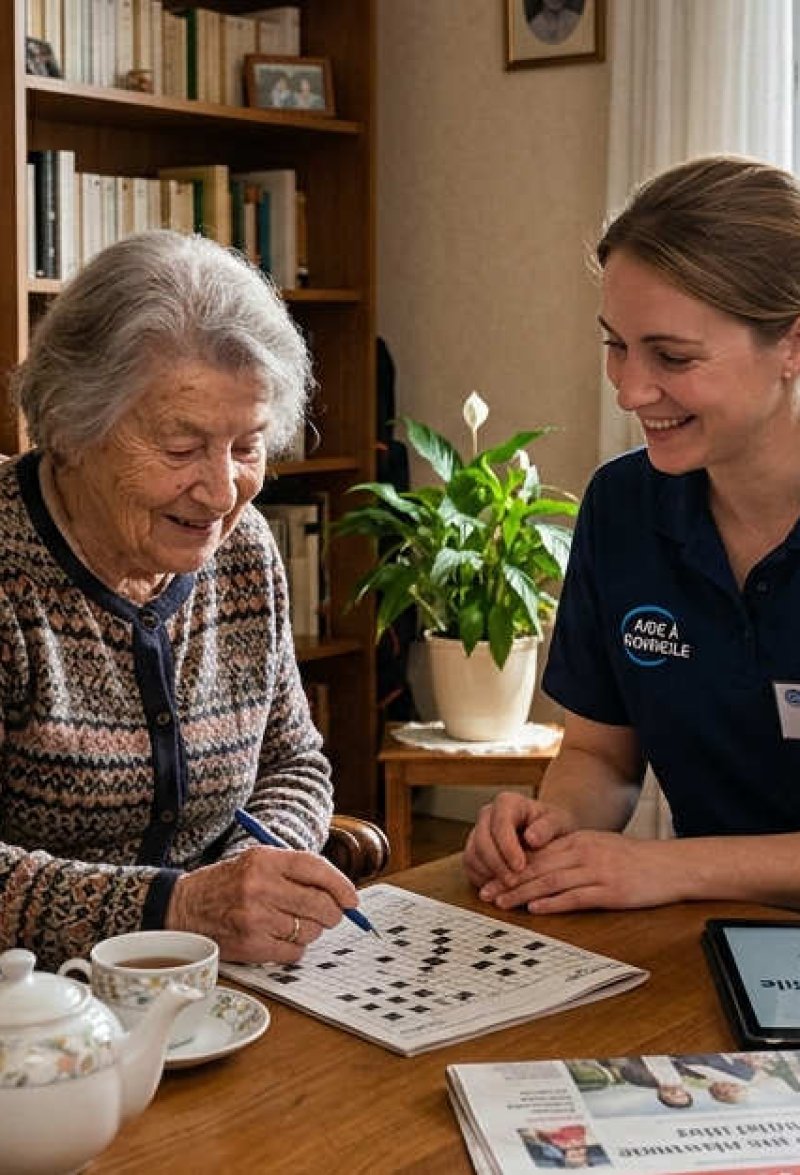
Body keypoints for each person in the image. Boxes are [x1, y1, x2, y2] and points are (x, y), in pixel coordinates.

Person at [0, 229, 358, 972]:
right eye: (180, 445)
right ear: (72, 423)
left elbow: (292, 761)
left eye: (248, 444)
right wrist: (179, 909)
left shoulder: (245, 549)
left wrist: (264, 876)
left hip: (215, 984)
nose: (223, 491)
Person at [464, 155, 800, 915]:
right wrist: (554, 827)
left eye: (672, 356)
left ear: (791, 346)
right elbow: (599, 753)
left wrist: (668, 870)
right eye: (616, 344)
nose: (629, 388)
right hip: (707, 945)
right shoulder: (622, 506)